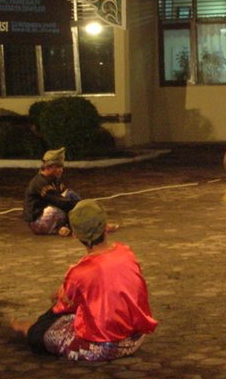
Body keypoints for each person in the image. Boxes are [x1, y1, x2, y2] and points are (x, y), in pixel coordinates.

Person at [11, 200, 157, 362]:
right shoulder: (126, 252)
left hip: (104, 346)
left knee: (41, 331)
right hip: (135, 338)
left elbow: (64, 305)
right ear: (105, 226)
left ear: (76, 235)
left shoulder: (81, 271)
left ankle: (30, 329)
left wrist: (59, 295)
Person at [24, 148, 81, 236]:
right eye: (58, 167)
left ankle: (65, 228)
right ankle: (74, 228)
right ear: (48, 167)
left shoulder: (55, 180)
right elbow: (59, 202)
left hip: (49, 216)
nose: (61, 170)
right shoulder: (39, 182)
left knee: (71, 195)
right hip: (38, 222)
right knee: (65, 206)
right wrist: (80, 205)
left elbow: (65, 196)